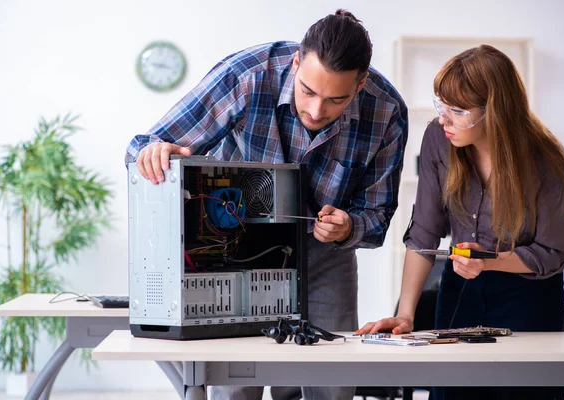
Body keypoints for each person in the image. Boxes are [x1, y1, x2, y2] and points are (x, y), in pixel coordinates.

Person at [125, 9, 408, 400]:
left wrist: (349, 226)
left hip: (327, 253)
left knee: (334, 380)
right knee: (236, 380)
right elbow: (144, 145)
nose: (315, 111)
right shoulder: (247, 76)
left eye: (335, 100)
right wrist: (156, 154)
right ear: (296, 63)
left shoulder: (387, 113)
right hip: (238, 247)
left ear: (360, 85)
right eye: (307, 91)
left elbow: (377, 217)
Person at [357, 44, 564, 400]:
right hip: (460, 293)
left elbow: (552, 253)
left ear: (495, 111)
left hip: (529, 299)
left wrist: (491, 261)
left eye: (457, 110)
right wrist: (406, 315)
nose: (443, 118)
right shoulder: (438, 140)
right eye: (441, 104)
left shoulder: (545, 160)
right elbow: (424, 233)